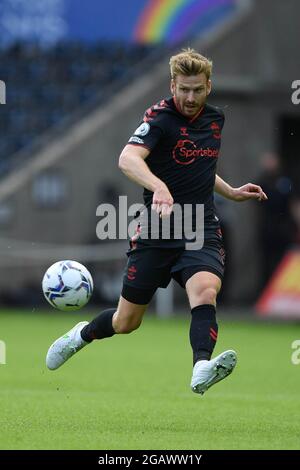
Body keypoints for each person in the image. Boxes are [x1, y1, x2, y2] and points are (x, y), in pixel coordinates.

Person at [46, 49, 267, 395]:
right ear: (172, 85)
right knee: (126, 322)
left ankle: (201, 367)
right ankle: (81, 335)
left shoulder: (214, 120)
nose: (190, 97)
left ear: (208, 86)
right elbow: (127, 158)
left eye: (196, 89)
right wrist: (158, 186)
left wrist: (232, 192)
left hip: (200, 226)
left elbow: (200, 167)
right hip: (157, 229)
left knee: (205, 290)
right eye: (183, 89)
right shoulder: (159, 118)